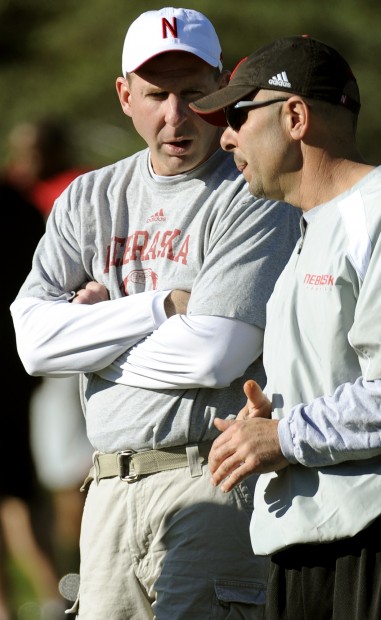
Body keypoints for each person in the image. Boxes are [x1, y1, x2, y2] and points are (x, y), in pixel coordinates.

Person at [10, 8, 300, 620]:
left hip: (212, 480)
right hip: (108, 488)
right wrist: (160, 307)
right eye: (156, 94)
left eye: (194, 93)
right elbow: (32, 345)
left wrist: (91, 332)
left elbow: (213, 353)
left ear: (222, 89)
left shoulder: (252, 191)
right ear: (124, 96)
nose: (175, 115)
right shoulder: (89, 196)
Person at [190, 35, 381, 619]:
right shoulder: (311, 229)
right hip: (311, 552)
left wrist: (284, 437)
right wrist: (266, 422)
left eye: (239, 115)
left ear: (295, 116)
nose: (226, 136)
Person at [5, 118, 94, 581]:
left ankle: (75, 572)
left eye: (32, 149)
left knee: (67, 469)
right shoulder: (23, 191)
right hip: (44, 353)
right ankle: (69, 575)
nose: (24, 160)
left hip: (71, 345)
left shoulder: (72, 189)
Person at [0, 179, 65, 620]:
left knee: (18, 496)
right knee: (21, 494)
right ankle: (52, 600)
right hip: (14, 376)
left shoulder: (13, 206)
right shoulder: (17, 205)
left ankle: (49, 601)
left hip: (10, 376)